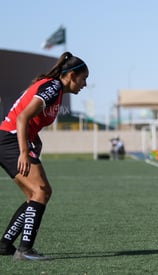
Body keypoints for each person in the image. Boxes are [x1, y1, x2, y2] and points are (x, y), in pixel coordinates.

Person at [0, 52, 88, 260]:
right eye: (83, 78)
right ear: (71, 76)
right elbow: (22, 118)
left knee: (35, 196)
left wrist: (35, 139)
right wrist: (23, 152)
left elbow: (31, 120)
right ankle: (24, 250)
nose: (84, 84)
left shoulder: (55, 90)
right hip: (11, 140)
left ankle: (4, 244)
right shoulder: (53, 87)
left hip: (8, 140)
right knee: (41, 192)